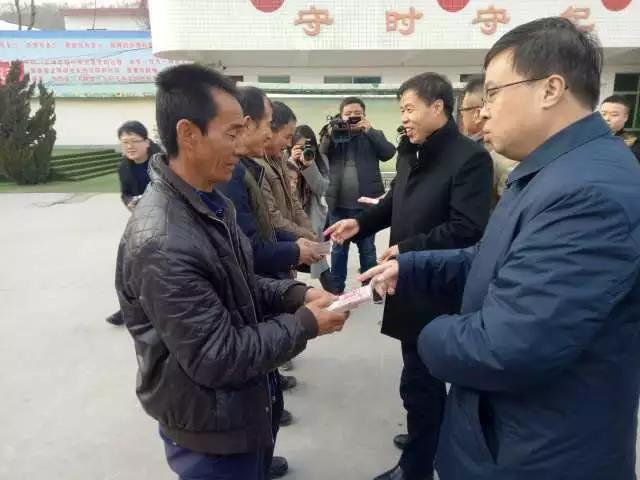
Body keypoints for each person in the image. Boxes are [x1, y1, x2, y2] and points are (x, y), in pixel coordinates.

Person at [360, 18, 640, 480]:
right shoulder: (551, 170)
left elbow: (507, 346)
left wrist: (425, 332)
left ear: (550, 89)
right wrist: (412, 267)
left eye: (492, 93)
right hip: (508, 435)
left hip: (539, 452)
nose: (482, 112)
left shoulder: (588, 192)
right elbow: (493, 256)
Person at [115, 64, 349, 480]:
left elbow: (237, 281)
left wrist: (295, 295)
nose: (242, 147)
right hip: (210, 430)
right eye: (232, 133)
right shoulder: (163, 240)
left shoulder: (209, 202)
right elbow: (216, 356)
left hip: (239, 407)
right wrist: (306, 323)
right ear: (188, 134)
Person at [327, 73, 493, 480]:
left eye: (409, 109)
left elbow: (467, 229)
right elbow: (393, 203)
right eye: (401, 110)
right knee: (417, 378)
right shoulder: (410, 151)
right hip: (404, 279)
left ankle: (416, 467)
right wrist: (360, 224)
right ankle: (425, 433)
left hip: (437, 286)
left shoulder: (469, 158)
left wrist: (408, 248)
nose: (404, 118)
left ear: (438, 107)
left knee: (423, 379)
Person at [321, 97, 396, 293]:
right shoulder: (335, 134)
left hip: (366, 205)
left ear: (364, 116)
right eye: (348, 114)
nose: (353, 117)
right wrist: (330, 132)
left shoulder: (372, 134)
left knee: (367, 249)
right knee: (338, 250)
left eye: (357, 114)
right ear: (340, 116)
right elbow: (322, 154)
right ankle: (336, 289)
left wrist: (370, 131)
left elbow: (388, 153)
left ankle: (369, 288)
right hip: (338, 205)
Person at [105, 120, 162, 327]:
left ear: (147, 142)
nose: (129, 146)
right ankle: (129, 309)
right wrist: (130, 202)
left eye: (134, 141)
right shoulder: (124, 167)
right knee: (127, 266)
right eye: (124, 142)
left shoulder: (163, 162)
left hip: (168, 221)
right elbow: (126, 194)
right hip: (142, 222)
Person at [290, 125, 339, 293]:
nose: (305, 150)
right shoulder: (284, 160)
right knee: (289, 261)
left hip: (313, 218)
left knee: (319, 261)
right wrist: (292, 162)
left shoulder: (321, 159)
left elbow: (321, 188)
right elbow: (286, 191)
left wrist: (309, 166)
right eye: (300, 147)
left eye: (308, 146)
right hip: (290, 219)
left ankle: (333, 294)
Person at [259, 101, 316, 241]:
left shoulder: (281, 159)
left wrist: (310, 232)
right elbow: (272, 217)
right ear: (270, 131)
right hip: (277, 243)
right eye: (287, 137)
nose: (289, 144)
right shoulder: (257, 166)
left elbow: (294, 201)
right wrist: (306, 235)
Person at [458, 76, 517, 203]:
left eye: (463, 110)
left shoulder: (503, 155)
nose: (462, 115)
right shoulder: (472, 147)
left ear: (478, 113)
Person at [600, 94, 640, 162]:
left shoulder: (633, 144)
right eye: (603, 114)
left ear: (625, 117)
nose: (606, 118)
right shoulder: (589, 138)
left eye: (614, 115)